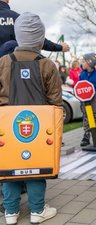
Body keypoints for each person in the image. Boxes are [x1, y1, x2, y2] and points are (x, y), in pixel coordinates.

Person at [0, 12, 62, 224]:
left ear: (18, 35)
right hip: (38, 124)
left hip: (7, 126)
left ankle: (10, 213)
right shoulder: (47, 65)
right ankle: (37, 211)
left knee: (8, 166)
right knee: (37, 167)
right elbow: (56, 102)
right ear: (39, 38)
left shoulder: (2, 62)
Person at [0, 0, 70, 52]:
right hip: (13, 67)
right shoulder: (18, 19)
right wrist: (60, 47)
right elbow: (35, 38)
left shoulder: (18, 19)